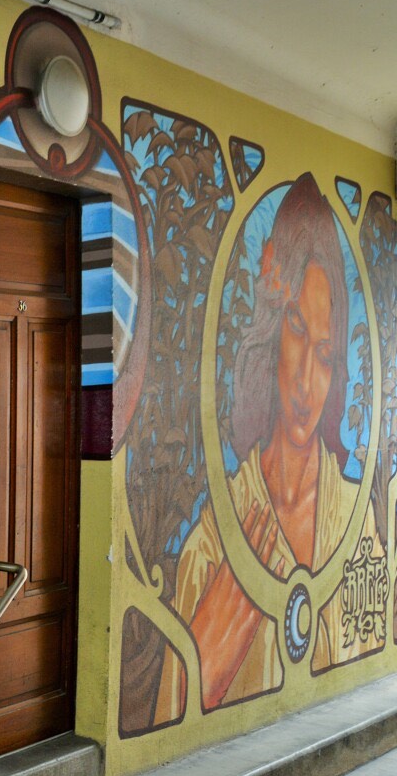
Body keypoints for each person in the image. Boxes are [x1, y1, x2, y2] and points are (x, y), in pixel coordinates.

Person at [157, 174, 372, 716]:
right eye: (297, 328)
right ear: (272, 326)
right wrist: (199, 673)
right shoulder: (214, 543)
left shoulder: (354, 523)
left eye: (325, 355)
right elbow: (168, 713)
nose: (305, 384)